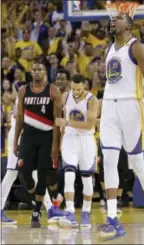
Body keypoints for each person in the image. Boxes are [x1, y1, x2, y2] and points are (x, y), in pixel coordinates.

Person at [98, 13, 144, 241]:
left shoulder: (136, 48)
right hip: (109, 108)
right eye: (111, 19)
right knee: (108, 161)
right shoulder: (109, 49)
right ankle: (112, 220)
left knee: (137, 163)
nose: (112, 22)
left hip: (132, 108)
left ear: (128, 25)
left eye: (117, 19)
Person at [1, 85, 64, 224]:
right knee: (12, 173)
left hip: (30, 136)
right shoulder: (26, 97)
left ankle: (50, 210)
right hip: (20, 136)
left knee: (37, 173)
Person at [13, 61, 64, 228]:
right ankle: (43, 197)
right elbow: (20, 119)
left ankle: (36, 210)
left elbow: (57, 122)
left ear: (45, 72)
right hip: (28, 136)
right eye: (34, 69)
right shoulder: (23, 91)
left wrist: (56, 145)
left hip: (47, 136)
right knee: (23, 171)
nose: (36, 72)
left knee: (43, 173)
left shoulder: (53, 90)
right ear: (30, 72)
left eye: (39, 69)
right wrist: (15, 141)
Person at [56, 74, 99, 228]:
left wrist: (67, 122)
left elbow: (89, 125)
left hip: (86, 140)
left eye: (78, 89)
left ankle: (86, 212)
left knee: (87, 178)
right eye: (73, 88)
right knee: (68, 175)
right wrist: (60, 142)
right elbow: (61, 124)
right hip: (69, 139)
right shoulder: (65, 96)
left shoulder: (92, 100)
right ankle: (70, 212)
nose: (75, 92)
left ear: (84, 86)